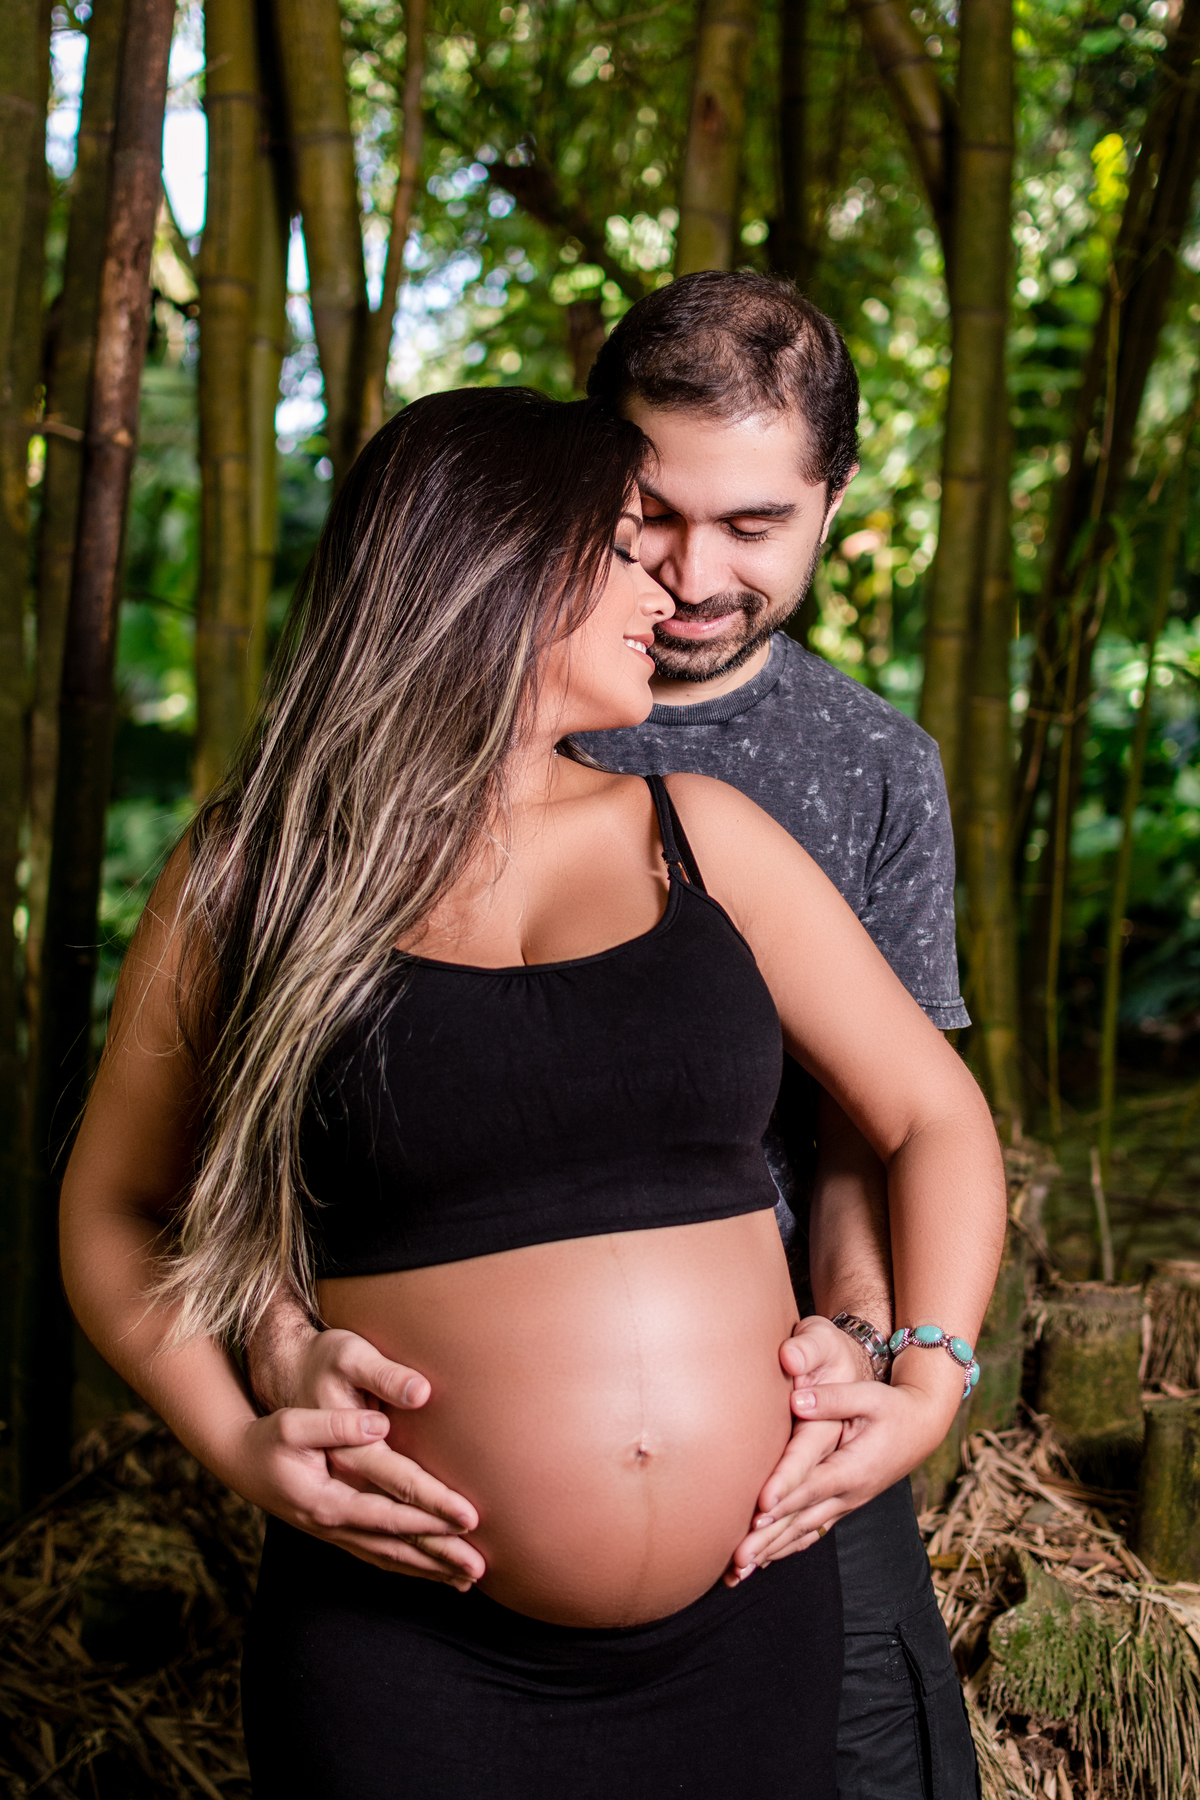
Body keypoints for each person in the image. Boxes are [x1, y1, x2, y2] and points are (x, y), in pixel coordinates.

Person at [61, 385, 1005, 1800]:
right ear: (501, 566)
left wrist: (927, 1377)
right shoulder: (247, 877)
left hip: (750, 1622)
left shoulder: (709, 836)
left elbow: (935, 1117)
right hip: (408, 1656)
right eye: (624, 549)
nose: (668, 588)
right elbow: (114, 1206)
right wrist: (239, 1444)